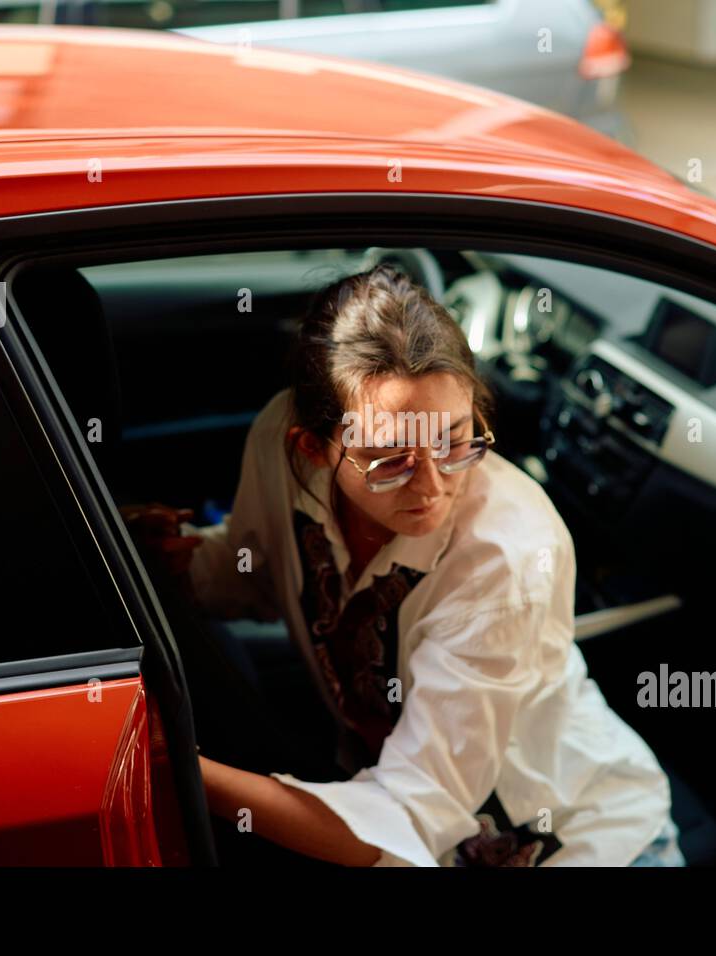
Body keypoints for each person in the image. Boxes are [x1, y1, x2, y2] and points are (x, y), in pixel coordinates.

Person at [122, 264, 682, 867]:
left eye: (454, 441)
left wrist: (177, 766)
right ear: (311, 446)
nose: (432, 487)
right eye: (389, 461)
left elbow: (406, 817)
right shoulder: (277, 449)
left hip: (587, 843)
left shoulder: (504, 558)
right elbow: (258, 576)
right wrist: (170, 560)